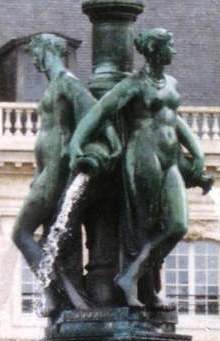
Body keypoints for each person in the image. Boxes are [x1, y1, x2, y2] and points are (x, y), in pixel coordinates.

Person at [69, 28, 210, 309]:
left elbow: (176, 121)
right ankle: (143, 290)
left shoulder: (171, 82)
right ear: (155, 49)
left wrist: (196, 153)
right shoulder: (134, 84)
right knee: (143, 227)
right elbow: (100, 111)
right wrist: (76, 143)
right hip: (143, 155)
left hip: (170, 157)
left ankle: (131, 275)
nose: (175, 51)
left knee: (177, 224)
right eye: (170, 46)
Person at [12, 33, 122, 315]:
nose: (33, 58)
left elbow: (99, 119)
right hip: (46, 173)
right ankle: (64, 295)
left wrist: (103, 149)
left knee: (21, 232)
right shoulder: (56, 85)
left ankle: (53, 292)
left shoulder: (68, 83)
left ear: (46, 50)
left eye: (35, 52)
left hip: (55, 174)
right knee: (43, 238)